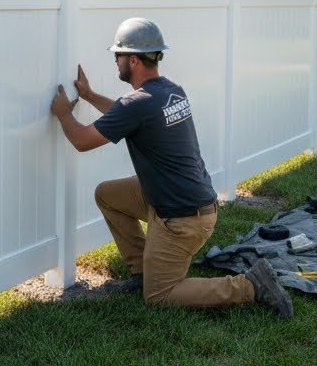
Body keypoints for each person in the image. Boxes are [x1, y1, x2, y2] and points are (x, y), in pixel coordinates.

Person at [49, 17, 292, 318]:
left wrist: (62, 115)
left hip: (182, 218)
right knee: (107, 195)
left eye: (118, 55)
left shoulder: (137, 103)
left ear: (134, 60)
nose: (116, 61)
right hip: (188, 200)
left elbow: (82, 141)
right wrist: (89, 95)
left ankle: (250, 285)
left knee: (160, 295)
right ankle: (142, 272)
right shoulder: (169, 91)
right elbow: (125, 115)